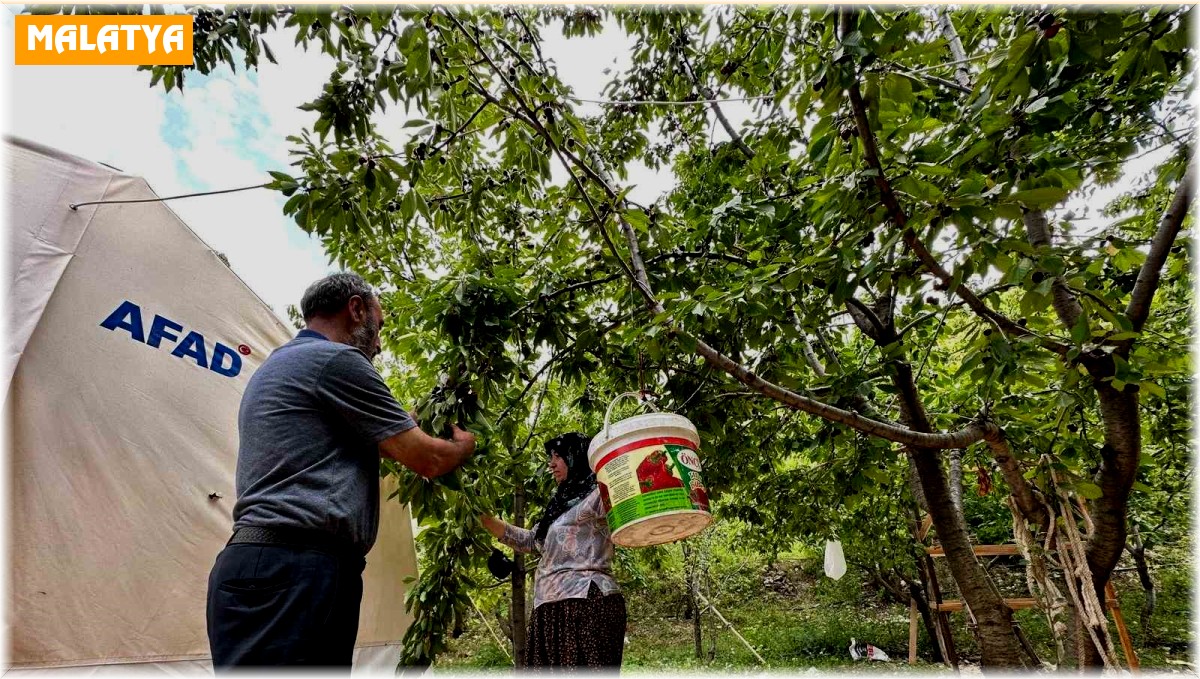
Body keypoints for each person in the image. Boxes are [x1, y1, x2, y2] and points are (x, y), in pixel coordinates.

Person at [206, 272, 475, 669]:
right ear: (356, 309)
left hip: (258, 567)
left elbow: (387, 434)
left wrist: (437, 400)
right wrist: (465, 447)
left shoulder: (280, 365)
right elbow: (427, 459)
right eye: (379, 327)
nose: (379, 344)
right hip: (296, 571)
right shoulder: (337, 361)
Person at [481, 433, 627, 670]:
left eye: (558, 456)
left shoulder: (598, 494)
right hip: (549, 608)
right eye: (551, 457)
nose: (551, 464)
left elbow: (630, 510)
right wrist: (484, 518)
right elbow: (531, 541)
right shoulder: (559, 505)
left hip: (584, 602)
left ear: (576, 457)